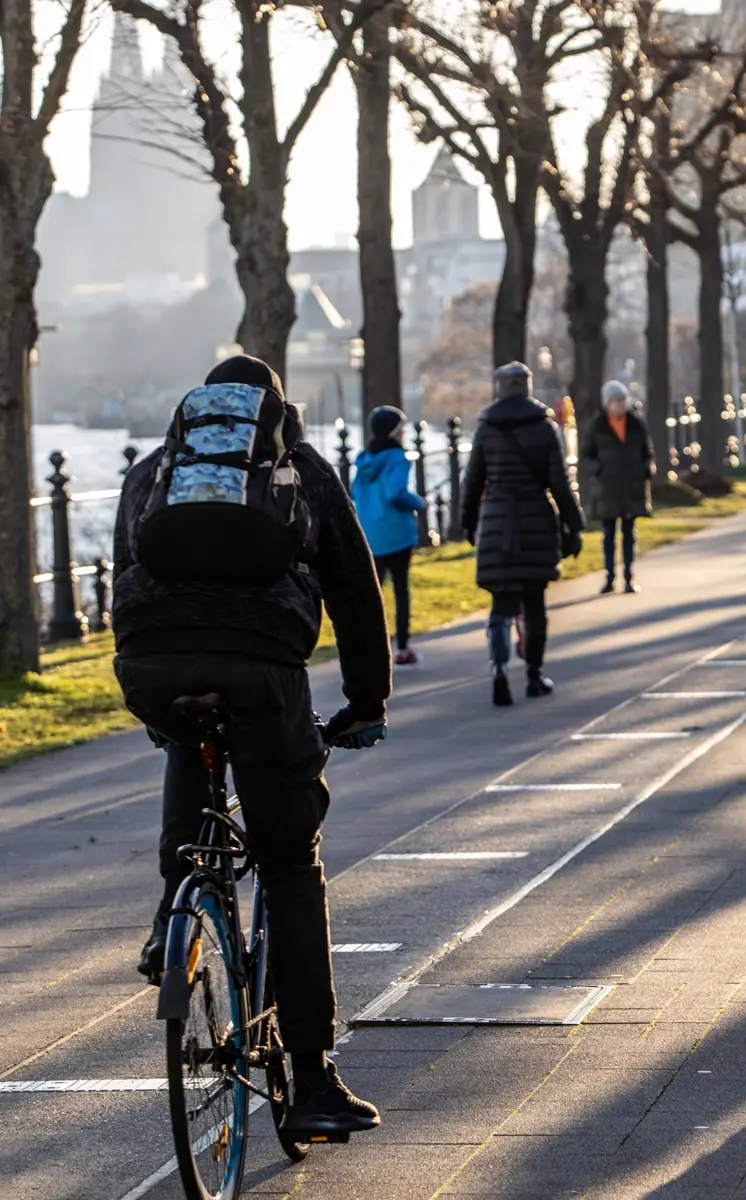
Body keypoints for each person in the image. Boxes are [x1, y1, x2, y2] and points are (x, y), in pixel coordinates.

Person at [112, 354, 389, 1137]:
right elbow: (354, 590)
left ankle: (175, 912)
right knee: (290, 862)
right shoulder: (299, 468)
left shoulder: (153, 469)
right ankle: (312, 1084)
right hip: (262, 670)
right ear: (274, 412)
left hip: (152, 661)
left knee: (185, 743)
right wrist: (366, 702)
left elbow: (123, 581)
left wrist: (150, 687)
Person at [461, 361, 585, 706]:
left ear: (499, 387)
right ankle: (533, 675)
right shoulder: (544, 428)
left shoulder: (486, 429)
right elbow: (560, 483)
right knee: (534, 603)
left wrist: (469, 523)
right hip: (536, 520)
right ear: (527, 387)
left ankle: (498, 667)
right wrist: (574, 526)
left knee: (501, 603)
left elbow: (472, 483)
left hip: (497, 521)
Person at [352, 405, 425, 666]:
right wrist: (418, 502)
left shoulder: (363, 460)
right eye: (402, 428)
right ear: (395, 432)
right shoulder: (397, 457)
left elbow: (354, 493)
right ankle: (402, 648)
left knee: (374, 593)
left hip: (370, 534)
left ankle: (370, 648)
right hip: (396, 533)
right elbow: (396, 492)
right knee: (401, 592)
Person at [581, 380, 655, 594]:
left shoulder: (636, 425)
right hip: (607, 489)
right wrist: (598, 469)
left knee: (629, 533)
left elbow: (647, 452)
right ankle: (609, 577)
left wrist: (647, 468)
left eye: (622, 401)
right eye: (616, 401)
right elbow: (586, 457)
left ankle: (629, 577)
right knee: (609, 535)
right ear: (607, 403)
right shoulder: (597, 427)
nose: (620, 405)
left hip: (632, 487)